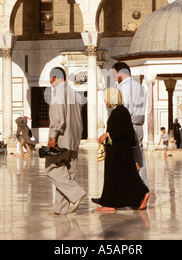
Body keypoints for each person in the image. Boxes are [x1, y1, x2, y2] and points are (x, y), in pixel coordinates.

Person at [95, 88, 150, 212]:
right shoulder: (119, 111)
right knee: (123, 176)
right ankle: (136, 196)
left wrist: (106, 135)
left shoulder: (119, 111)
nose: (105, 101)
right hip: (117, 150)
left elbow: (121, 131)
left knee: (115, 175)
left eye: (107, 98)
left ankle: (112, 203)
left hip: (119, 151)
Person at [45, 67, 86, 215]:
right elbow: (80, 120)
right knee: (67, 173)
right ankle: (60, 209)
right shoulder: (75, 95)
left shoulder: (58, 94)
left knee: (51, 168)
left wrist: (52, 137)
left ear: (53, 78)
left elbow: (58, 119)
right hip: (74, 140)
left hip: (62, 139)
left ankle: (76, 193)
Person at [112, 62, 149, 188]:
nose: (114, 78)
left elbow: (124, 111)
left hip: (128, 126)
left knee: (125, 158)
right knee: (139, 158)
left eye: (115, 75)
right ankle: (143, 188)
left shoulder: (123, 88)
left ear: (121, 74)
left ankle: (129, 190)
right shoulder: (140, 87)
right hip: (139, 125)